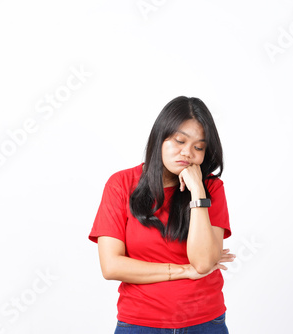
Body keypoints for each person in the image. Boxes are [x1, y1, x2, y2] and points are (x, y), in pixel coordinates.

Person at [88, 96, 236, 333]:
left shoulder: (212, 189)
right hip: (140, 323)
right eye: (179, 141)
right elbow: (112, 266)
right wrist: (182, 270)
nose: (187, 152)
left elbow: (203, 262)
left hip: (205, 321)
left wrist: (197, 191)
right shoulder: (121, 184)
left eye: (198, 147)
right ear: (160, 137)